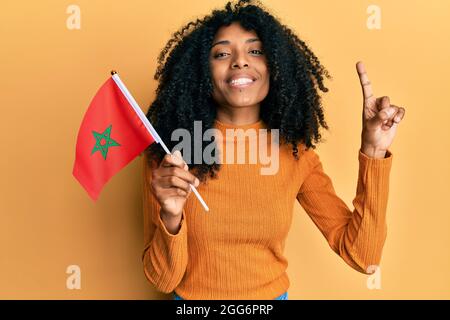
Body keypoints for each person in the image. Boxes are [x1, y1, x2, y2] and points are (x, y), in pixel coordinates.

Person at [141, 0, 405, 300]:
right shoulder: (170, 156)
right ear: (200, 71)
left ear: (275, 66)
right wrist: (171, 216)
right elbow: (162, 280)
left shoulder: (295, 154)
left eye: (255, 51)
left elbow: (363, 257)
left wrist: (373, 152)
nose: (240, 61)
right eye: (222, 53)